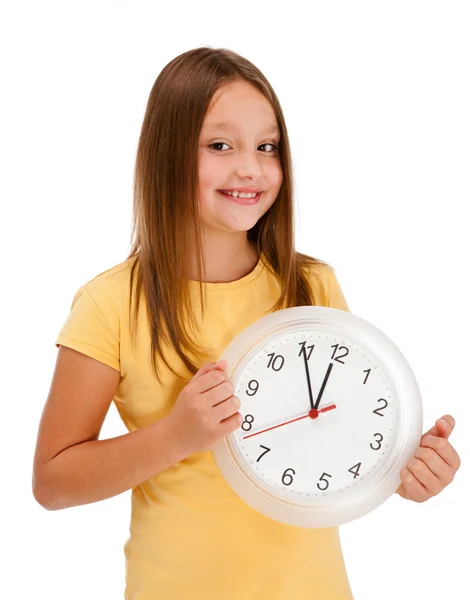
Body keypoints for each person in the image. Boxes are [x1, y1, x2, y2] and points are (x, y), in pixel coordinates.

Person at [32, 47, 461, 600]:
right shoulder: (111, 303)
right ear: (164, 155)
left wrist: (406, 472)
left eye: (267, 147)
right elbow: (52, 481)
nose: (250, 168)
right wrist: (175, 436)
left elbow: (342, 435)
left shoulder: (312, 288)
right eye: (219, 145)